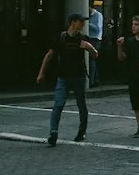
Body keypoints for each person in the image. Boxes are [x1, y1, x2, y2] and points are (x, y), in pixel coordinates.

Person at [36, 13, 98, 146]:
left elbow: (95, 55)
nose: (83, 24)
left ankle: (82, 131)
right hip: (63, 77)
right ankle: (53, 132)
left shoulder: (83, 38)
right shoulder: (61, 37)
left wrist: (89, 47)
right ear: (73, 22)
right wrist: (41, 73)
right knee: (58, 104)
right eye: (81, 21)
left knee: (81, 105)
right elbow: (49, 55)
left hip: (79, 77)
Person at [116, 14, 139, 137]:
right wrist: (119, 46)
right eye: (132, 24)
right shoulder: (130, 42)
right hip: (133, 76)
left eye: (136, 24)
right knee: (136, 103)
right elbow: (122, 58)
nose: (133, 27)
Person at [87, 1, 104, 87]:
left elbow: (97, 28)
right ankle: (95, 79)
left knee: (92, 59)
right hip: (89, 38)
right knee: (92, 60)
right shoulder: (90, 15)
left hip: (95, 39)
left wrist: (87, 24)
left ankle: (92, 81)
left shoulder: (98, 15)